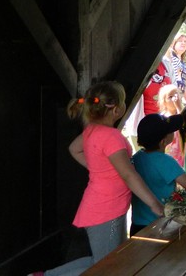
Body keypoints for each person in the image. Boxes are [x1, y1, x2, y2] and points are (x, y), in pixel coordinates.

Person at [30, 82, 163, 276]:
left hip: (99, 207)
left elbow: (74, 149)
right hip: (108, 211)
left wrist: (99, 169)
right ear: (116, 109)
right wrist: (154, 203)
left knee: (102, 260)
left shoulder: (92, 130)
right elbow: (128, 175)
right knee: (109, 267)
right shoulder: (112, 137)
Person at [130, 114, 186, 235]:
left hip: (137, 226)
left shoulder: (135, 158)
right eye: (171, 131)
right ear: (163, 141)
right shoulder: (166, 161)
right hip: (160, 225)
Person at [157, 84, 184, 166]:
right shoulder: (163, 118)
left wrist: (179, 107)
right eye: (170, 97)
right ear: (164, 102)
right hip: (169, 153)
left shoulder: (184, 112)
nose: (174, 99)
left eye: (176, 95)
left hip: (182, 153)